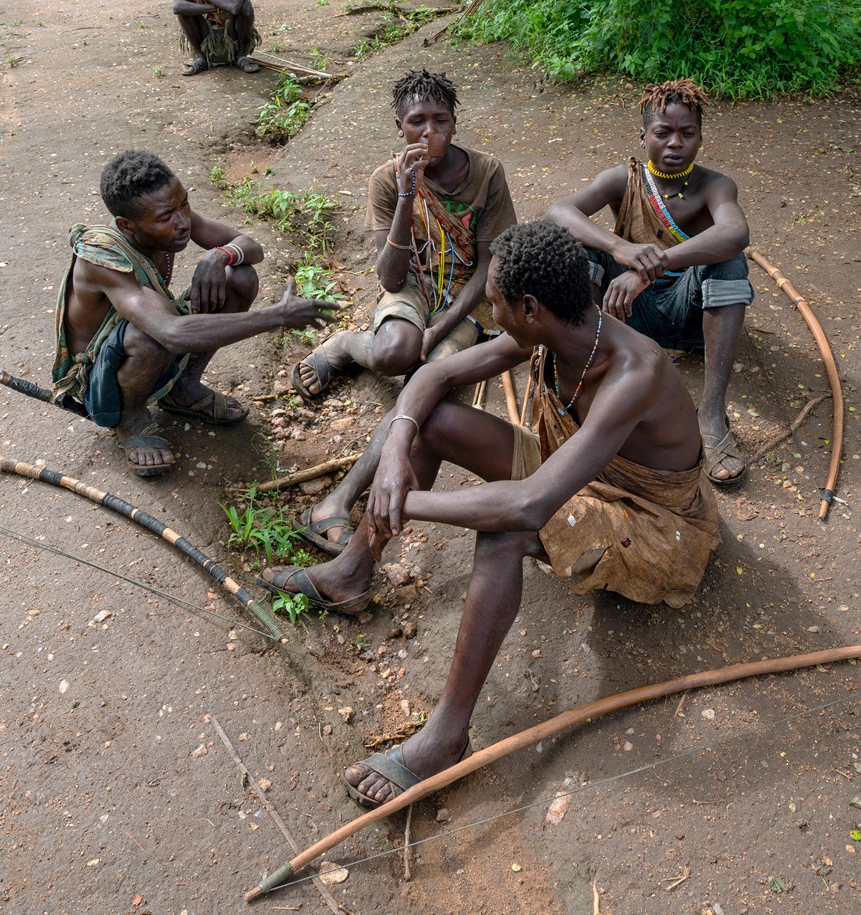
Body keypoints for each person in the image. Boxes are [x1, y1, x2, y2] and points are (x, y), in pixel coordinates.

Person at [260, 221, 720, 807]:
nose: (487, 308)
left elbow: (529, 503)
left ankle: (446, 736)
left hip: (653, 524)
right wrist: (397, 448)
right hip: (576, 472)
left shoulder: (635, 372)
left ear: (530, 308)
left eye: (495, 301)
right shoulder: (550, 330)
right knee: (435, 421)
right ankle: (352, 573)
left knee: (507, 533)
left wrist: (402, 500)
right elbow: (435, 373)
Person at [52, 149, 337, 476]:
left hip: (154, 332)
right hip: (100, 378)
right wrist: (277, 316)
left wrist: (219, 256)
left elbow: (250, 248)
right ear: (126, 225)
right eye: (165, 217)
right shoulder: (101, 258)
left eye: (184, 204)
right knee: (150, 337)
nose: (183, 222)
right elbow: (171, 333)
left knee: (240, 276)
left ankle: (183, 389)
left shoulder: (174, 215)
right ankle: (131, 420)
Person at [544, 79, 752, 488]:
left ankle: (710, 415)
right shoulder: (623, 179)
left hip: (689, 313)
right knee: (575, 248)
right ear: (643, 136)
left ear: (700, 138)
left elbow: (734, 232)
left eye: (687, 133)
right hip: (625, 317)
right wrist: (619, 247)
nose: (675, 143)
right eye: (663, 133)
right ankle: (593, 377)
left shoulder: (715, 185)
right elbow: (557, 210)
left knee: (730, 261)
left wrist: (648, 268)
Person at [289, 69, 518, 401]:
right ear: (400, 128)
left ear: (454, 123)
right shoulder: (385, 181)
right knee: (392, 354)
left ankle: (387, 447)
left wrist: (439, 328)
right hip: (413, 279)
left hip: (468, 290)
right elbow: (391, 279)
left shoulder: (486, 173)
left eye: (440, 120)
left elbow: (487, 266)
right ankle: (346, 345)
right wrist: (406, 194)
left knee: (430, 376)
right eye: (417, 122)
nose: (430, 132)